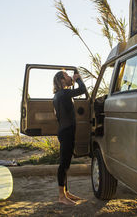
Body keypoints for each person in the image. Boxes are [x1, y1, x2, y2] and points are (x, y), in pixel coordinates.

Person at [53, 69, 86, 205]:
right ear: (62, 80)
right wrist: (78, 79)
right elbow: (82, 89)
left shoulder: (59, 95)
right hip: (66, 132)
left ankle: (65, 192)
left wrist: (72, 81)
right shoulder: (65, 93)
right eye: (66, 76)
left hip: (65, 131)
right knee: (64, 164)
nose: (69, 77)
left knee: (65, 163)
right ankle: (61, 196)